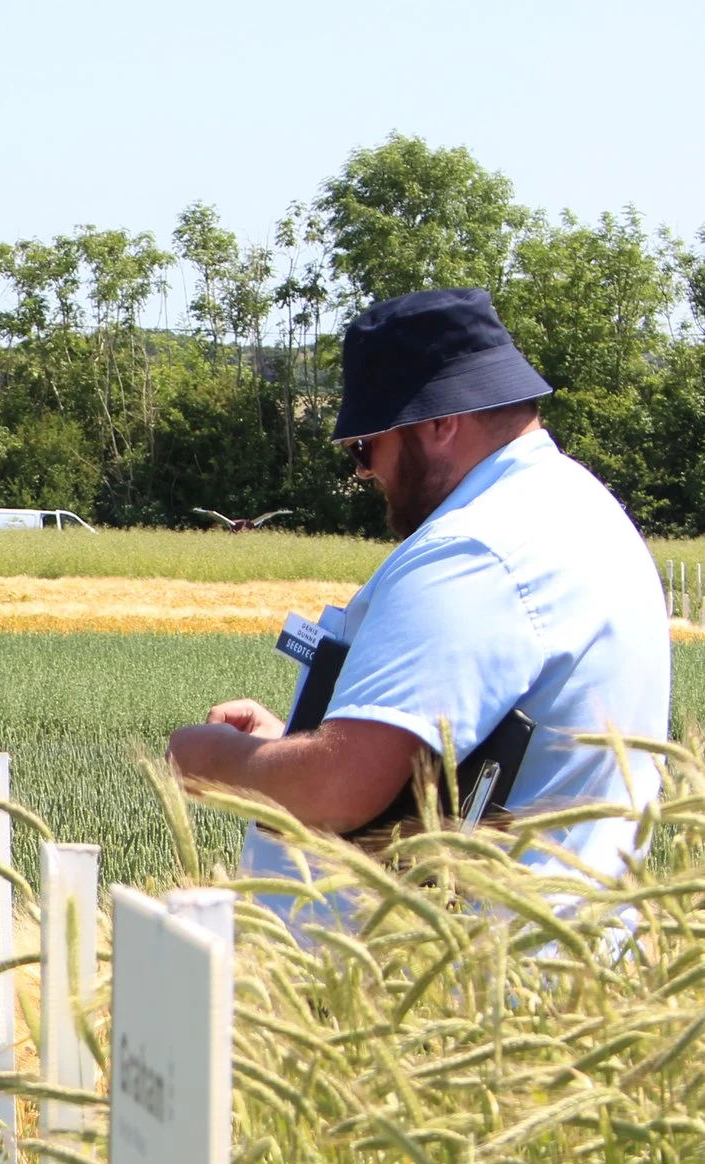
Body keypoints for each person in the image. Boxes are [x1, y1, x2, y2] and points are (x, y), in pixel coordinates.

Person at [167, 287, 670, 883]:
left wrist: (217, 761)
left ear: (438, 422)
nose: (363, 470)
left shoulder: (474, 547)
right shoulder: (575, 507)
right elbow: (439, 775)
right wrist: (287, 749)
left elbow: (340, 787)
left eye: (365, 444)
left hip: (461, 967)